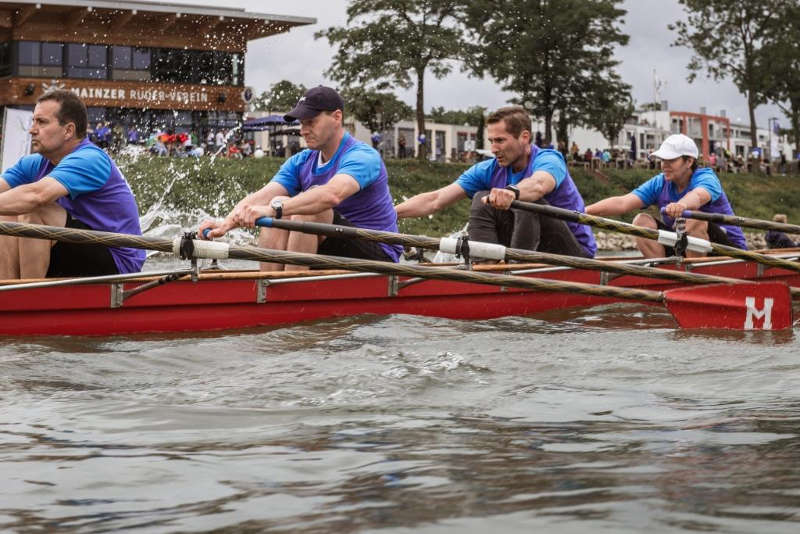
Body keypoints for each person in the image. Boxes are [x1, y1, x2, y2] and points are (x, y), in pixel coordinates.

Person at [199, 86, 402, 270]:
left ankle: (288, 291)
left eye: (311, 122)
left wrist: (272, 210)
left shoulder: (363, 156)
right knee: (278, 201)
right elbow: (261, 197)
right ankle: (270, 286)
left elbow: (331, 195)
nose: (304, 130)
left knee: (302, 205)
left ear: (337, 117)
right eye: (302, 123)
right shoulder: (301, 161)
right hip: (334, 245)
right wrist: (226, 223)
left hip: (378, 254)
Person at [395, 105, 596, 258]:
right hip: (532, 248)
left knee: (527, 201)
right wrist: (390, 214)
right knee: (481, 198)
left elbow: (538, 185)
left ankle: (513, 270)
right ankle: (488, 266)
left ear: (524, 137)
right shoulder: (489, 169)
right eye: (491, 141)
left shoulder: (549, 159)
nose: (493, 149)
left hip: (575, 254)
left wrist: (512, 192)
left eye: (500, 140)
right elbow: (435, 199)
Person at [0, 90, 145, 279]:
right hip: (75, 246)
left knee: (33, 208)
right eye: (33, 121)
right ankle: (8, 291)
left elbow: (36, 196)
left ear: (68, 130)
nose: (32, 129)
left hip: (116, 261)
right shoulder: (33, 163)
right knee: (5, 212)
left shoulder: (91, 159)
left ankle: (28, 299)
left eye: (41, 122)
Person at [585, 133, 747, 258]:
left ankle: (695, 275)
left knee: (693, 217)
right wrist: (582, 211)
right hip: (685, 247)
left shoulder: (706, 177)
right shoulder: (660, 182)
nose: (664, 165)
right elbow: (622, 203)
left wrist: (681, 205)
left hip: (729, 250)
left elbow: (698, 196)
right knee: (640, 221)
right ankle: (664, 272)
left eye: (671, 160)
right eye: (662, 160)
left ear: (689, 161)